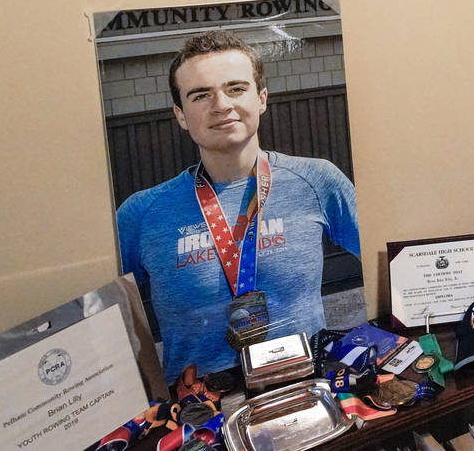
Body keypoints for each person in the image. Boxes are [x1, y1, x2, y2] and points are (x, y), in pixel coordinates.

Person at [116, 30, 360, 381]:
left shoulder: (318, 180)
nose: (221, 105)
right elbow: (108, 330)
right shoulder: (140, 214)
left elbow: (390, 260)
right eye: (201, 95)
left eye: (235, 88)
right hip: (201, 412)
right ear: (181, 115)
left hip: (307, 384)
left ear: (261, 99)